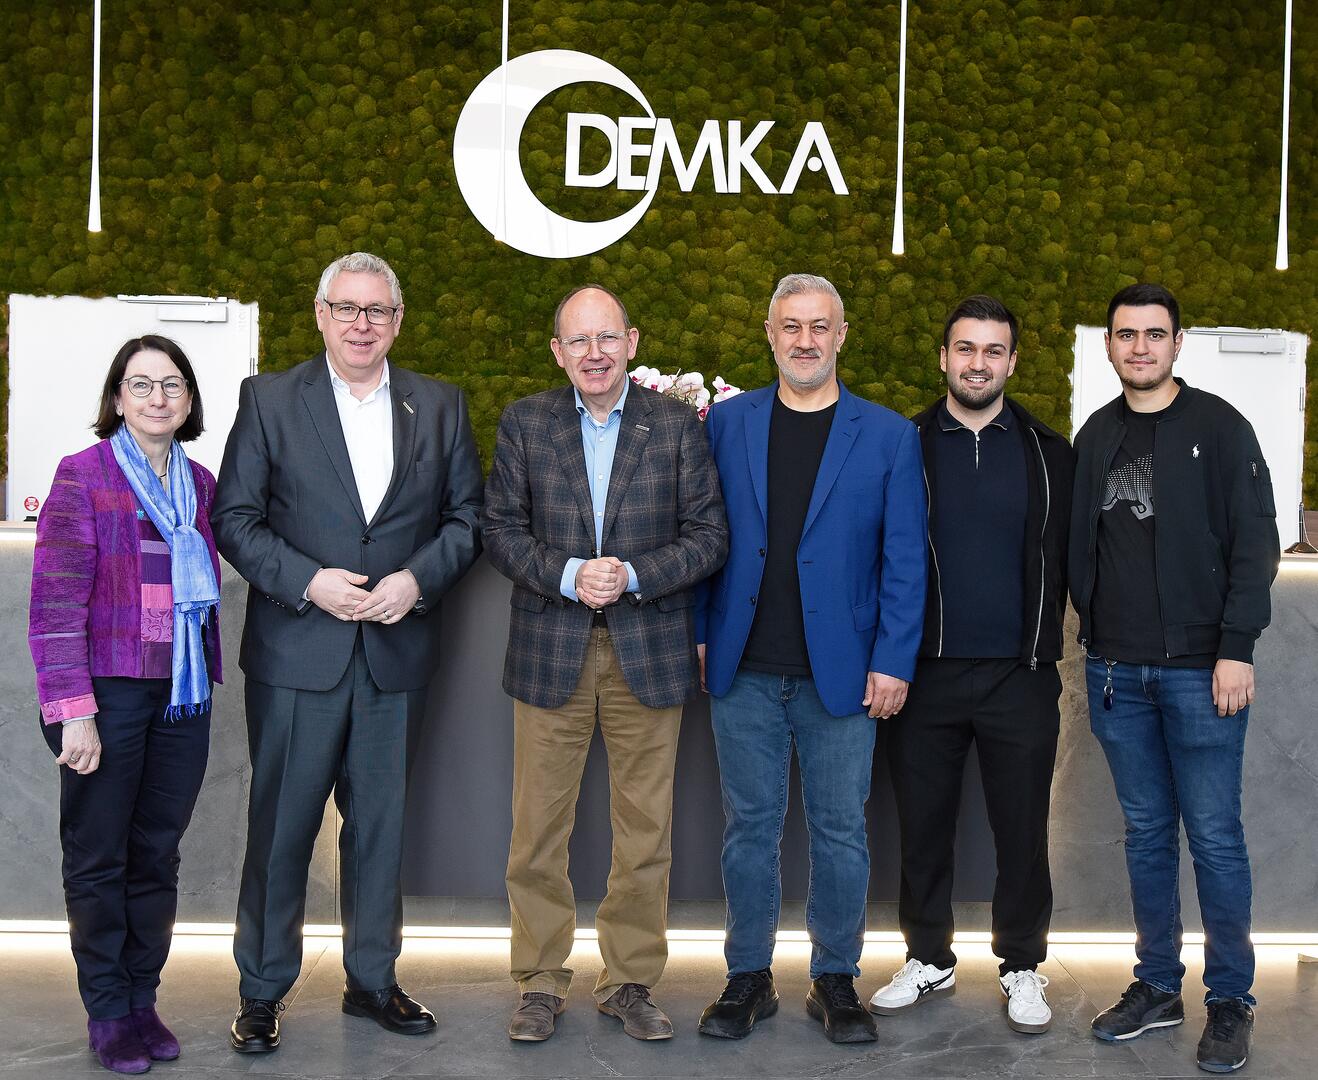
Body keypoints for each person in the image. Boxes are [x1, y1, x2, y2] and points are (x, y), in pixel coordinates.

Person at [212, 252, 483, 1053]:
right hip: (298, 653)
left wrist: (416, 581)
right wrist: (308, 582)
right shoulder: (268, 400)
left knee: (380, 829)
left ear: (397, 321)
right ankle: (262, 990)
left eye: (377, 310)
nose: (362, 324)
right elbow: (234, 518)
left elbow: (468, 519)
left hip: (396, 654)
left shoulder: (440, 405)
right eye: (347, 308)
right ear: (321, 315)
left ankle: (371, 980)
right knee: (282, 828)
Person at [482, 284, 728, 1043]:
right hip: (549, 649)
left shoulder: (676, 426)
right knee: (537, 831)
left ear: (632, 343)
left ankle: (629, 981)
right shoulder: (526, 422)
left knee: (645, 831)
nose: (594, 353)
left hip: (647, 651)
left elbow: (709, 535)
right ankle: (538, 981)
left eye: (607, 338)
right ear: (558, 352)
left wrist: (634, 574)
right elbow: (499, 529)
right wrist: (566, 573)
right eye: (579, 340)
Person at [696, 273, 926, 1044]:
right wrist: (700, 630)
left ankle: (835, 978)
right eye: (790, 326)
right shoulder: (726, 424)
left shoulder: (888, 436)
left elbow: (904, 561)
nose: (804, 340)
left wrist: (893, 661)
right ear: (770, 334)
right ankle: (748, 976)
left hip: (846, 673)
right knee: (748, 830)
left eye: (818, 326)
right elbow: (701, 535)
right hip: (744, 668)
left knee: (840, 831)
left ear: (841, 335)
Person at [1070, 284, 1279, 1073]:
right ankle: (1158, 985)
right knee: (1148, 836)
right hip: (1114, 672)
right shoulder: (1097, 434)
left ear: (1177, 343)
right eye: (1126, 335)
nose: (1140, 348)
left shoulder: (1221, 428)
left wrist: (1237, 647)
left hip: (1201, 673)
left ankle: (1231, 999)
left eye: (1154, 334)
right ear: (1110, 346)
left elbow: (1257, 541)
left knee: (1216, 838)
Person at [870, 296, 1074, 1034]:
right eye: (965, 349)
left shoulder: (1050, 452)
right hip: (923, 674)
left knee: (1023, 831)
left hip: (1022, 674)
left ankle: (1022, 963)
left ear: (1012, 362)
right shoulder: (904, 444)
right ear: (944, 357)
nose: (977, 363)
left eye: (993, 351)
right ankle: (928, 956)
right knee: (923, 826)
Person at [29, 336, 222, 1074]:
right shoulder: (82, 475)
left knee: (156, 855)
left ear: (188, 399)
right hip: (106, 694)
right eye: (140, 384)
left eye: (171, 385)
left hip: (182, 693)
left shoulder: (201, 484)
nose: (157, 398)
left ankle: (143, 998)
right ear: (117, 397)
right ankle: (107, 1009)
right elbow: (54, 605)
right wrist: (72, 711)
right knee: (98, 854)